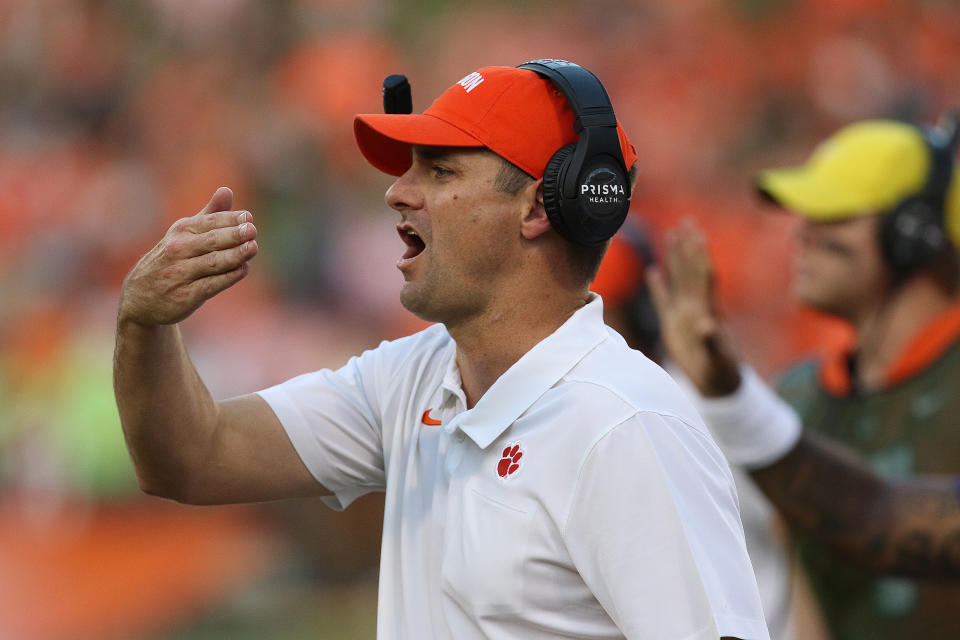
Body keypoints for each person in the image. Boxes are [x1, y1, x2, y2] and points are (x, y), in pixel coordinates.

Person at [113, 61, 769, 639]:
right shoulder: (409, 376)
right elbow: (191, 459)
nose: (399, 190)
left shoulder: (628, 427)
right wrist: (144, 325)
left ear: (540, 208)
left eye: (440, 169)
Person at [649, 117, 960, 640]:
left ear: (914, 231)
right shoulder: (797, 394)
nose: (803, 234)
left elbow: (874, 517)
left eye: (833, 214)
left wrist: (734, 400)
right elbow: (806, 599)